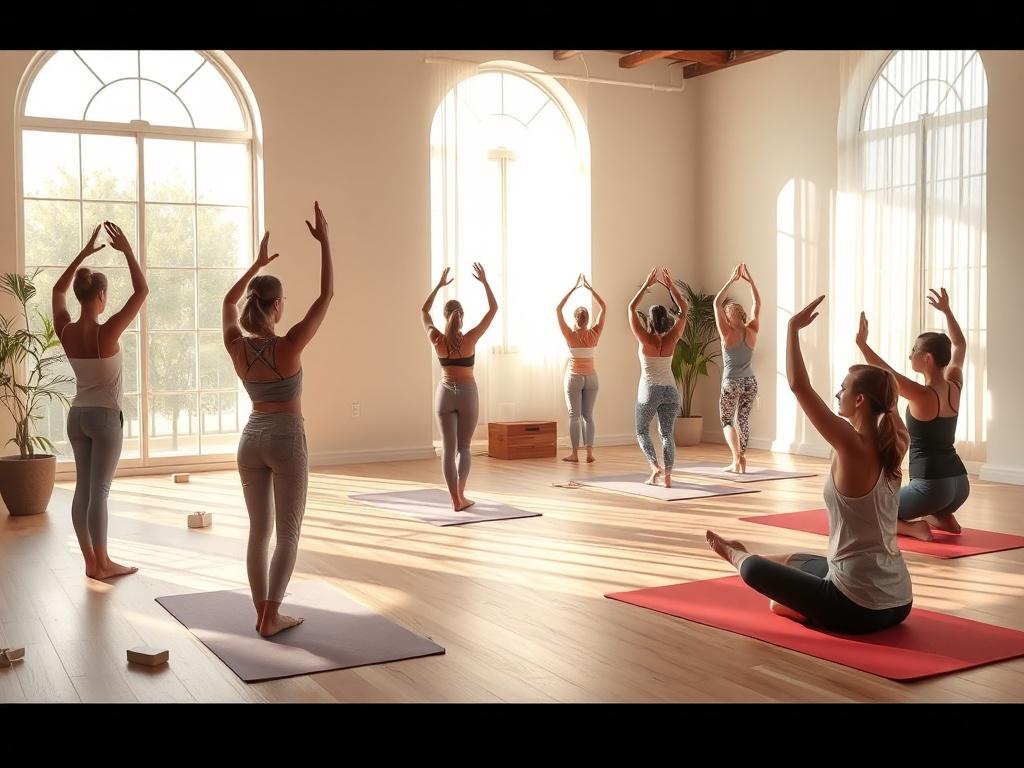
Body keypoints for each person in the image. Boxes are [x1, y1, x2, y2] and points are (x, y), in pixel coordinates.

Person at [707, 295, 913, 634]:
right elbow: (888, 391)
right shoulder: (897, 440)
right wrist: (864, 348)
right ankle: (773, 573)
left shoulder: (850, 443)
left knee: (755, 572)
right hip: (900, 601)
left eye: (843, 389)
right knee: (801, 558)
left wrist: (792, 328)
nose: (837, 395)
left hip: (856, 608)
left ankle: (735, 555)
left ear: (859, 400)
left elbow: (799, 386)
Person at [222, 202, 332, 637]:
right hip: (286, 438)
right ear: (279, 306)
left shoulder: (238, 347)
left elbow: (228, 301)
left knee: (258, 531)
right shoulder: (290, 345)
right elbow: (326, 296)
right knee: (288, 532)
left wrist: (255, 265)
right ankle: (272, 616)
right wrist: (326, 244)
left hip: (250, 439)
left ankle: (260, 613)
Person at [53, 221, 148, 580]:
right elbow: (142, 291)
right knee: (100, 492)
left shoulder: (66, 329)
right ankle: (104, 563)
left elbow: (57, 290)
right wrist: (126, 250)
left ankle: (90, 561)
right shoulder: (107, 332)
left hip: (76, 416)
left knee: (83, 489)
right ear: (101, 297)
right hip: (106, 419)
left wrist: (84, 253)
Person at [856, 288, 969, 540]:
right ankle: (943, 517)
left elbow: (886, 372)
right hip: (960, 485)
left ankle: (914, 527)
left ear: (927, 358)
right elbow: (960, 344)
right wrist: (947, 312)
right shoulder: (954, 384)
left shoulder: (922, 395)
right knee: (929, 500)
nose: (910, 354)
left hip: (931, 487)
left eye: (914, 350)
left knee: (869, 510)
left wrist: (862, 345)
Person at [421, 263, 497, 511]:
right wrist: (485, 281)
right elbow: (493, 309)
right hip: (467, 394)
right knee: (464, 447)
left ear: (446, 316)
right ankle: (461, 496)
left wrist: (439, 286)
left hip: (444, 394)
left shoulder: (436, 338)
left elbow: (424, 310)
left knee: (447, 448)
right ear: (461, 316)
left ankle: (454, 499)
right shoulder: (470, 338)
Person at [628, 267, 688, 487]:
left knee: (642, 430)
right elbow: (685, 309)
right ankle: (668, 477)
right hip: (671, 391)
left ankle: (654, 466)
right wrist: (671, 286)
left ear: (650, 321)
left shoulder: (645, 339)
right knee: (666, 434)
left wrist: (646, 285)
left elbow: (631, 308)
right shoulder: (673, 337)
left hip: (649, 391)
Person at [714, 262, 761, 473]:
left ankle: (736, 459)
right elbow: (757, 303)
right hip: (750, 381)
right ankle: (742, 459)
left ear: (729, 318)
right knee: (742, 419)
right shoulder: (752, 329)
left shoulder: (727, 333)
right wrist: (750, 281)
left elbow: (716, 303)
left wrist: (731, 280)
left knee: (726, 419)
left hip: (731, 382)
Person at [555, 273, 606, 463]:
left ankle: (575, 454)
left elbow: (559, 309)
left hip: (574, 377)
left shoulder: (570, 335)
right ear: (587, 319)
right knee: (588, 416)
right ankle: (590, 453)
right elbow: (604, 306)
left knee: (574, 416)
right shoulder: (594, 333)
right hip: (592, 378)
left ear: (576, 319)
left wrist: (573, 289)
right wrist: (590, 289)